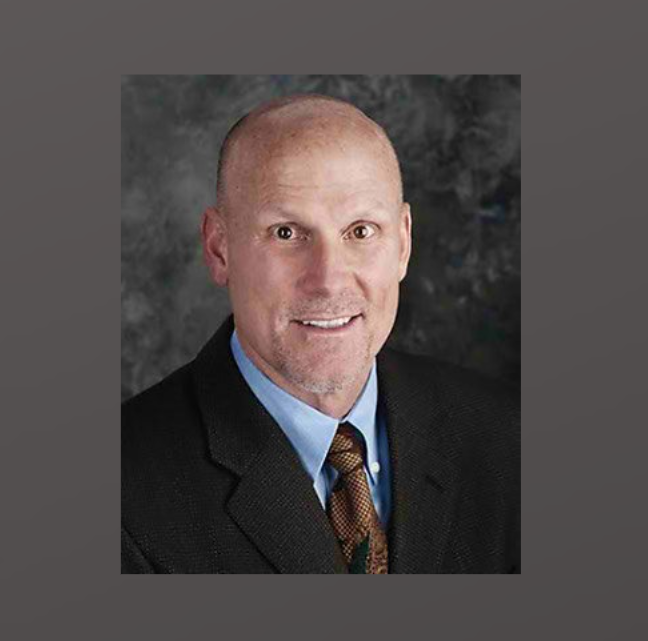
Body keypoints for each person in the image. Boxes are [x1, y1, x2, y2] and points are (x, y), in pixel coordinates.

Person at [121, 94, 520, 574]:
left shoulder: (509, 439)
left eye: (360, 231)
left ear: (403, 243)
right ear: (219, 248)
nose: (328, 278)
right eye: (286, 233)